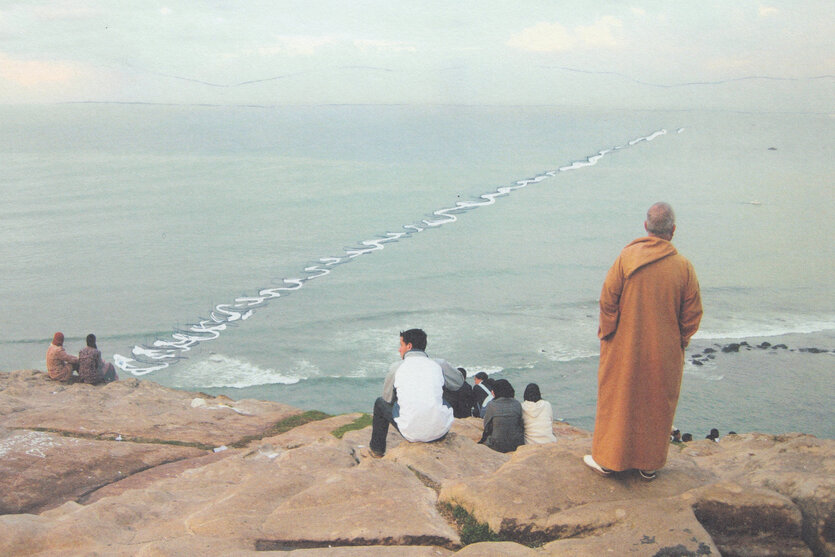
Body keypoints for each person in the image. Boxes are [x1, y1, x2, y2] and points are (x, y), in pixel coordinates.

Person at [584, 202, 702, 481]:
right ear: (672, 231)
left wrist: (610, 334)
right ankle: (649, 464)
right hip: (664, 349)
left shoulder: (626, 257)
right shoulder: (683, 267)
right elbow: (692, 314)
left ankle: (609, 461)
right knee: (656, 401)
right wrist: (680, 340)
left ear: (646, 227)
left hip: (624, 345)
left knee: (619, 399)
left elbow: (607, 300)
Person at [367, 329, 454, 457]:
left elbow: (387, 399)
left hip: (411, 433)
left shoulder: (396, 367)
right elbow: (458, 383)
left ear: (409, 346)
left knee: (379, 403)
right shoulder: (439, 364)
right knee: (442, 390)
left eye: (401, 345)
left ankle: (377, 450)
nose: (399, 349)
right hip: (440, 432)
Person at [479, 379, 524, 453]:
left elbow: (486, 426)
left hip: (497, 446)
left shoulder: (492, 405)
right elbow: (520, 424)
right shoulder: (517, 404)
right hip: (516, 444)